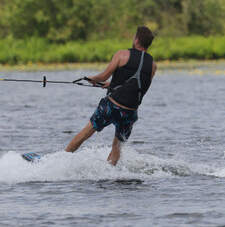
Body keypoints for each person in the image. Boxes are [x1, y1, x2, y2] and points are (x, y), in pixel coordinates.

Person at [65, 26, 157, 166]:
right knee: (117, 146)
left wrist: (93, 78)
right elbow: (138, 86)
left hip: (111, 107)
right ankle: (109, 172)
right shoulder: (153, 65)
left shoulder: (122, 54)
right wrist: (112, 84)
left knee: (85, 134)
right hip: (129, 113)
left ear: (137, 40)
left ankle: (60, 159)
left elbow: (103, 76)